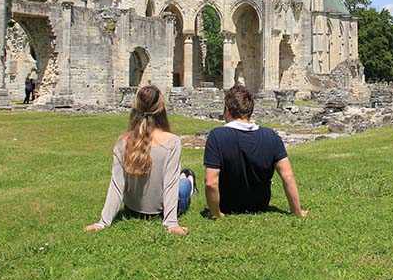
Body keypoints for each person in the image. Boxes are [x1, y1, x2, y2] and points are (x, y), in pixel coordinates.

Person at [85, 85, 196, 234]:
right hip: (161, 211)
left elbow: (117, 185)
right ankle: (189, 178)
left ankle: (186, 176)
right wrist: (171, 223)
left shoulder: (123, 141)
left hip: (132, 210)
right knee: (184, 184)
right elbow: (170, 185)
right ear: (161, 108)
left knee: (180, 180)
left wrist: (103, 222)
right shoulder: (172, 142)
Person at [203, 85, 308, 218]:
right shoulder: (271, 136)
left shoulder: (217, 136)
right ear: (250, 111)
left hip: (227, 206)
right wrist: (297, 211)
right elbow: (288, 176)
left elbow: (210, 182)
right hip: (260, 205)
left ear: (227, 111)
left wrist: (215, 213)